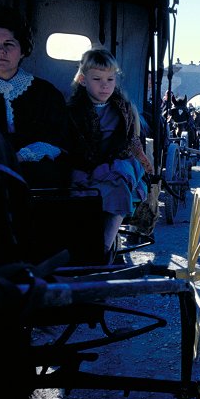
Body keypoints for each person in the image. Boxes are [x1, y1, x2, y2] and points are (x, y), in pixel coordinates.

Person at [66, 48, 153, 260]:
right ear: (83, 80)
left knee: (119, 183)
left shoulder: (123, 109)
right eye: (97, 79)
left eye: (110, 79)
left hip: (117, 163)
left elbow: (130, 141)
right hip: (85, 164)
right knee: (76, 191)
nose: (105, 85)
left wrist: (145, 163)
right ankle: (78, 244)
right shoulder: (73, 110)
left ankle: (104, 246)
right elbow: (71, 143)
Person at [0, 5, 71, 188]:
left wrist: (21, 157)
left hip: (35, 175)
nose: (0, 50)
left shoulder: (46, 93)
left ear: (23, 50)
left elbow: (57, 138)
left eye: (8, 44)